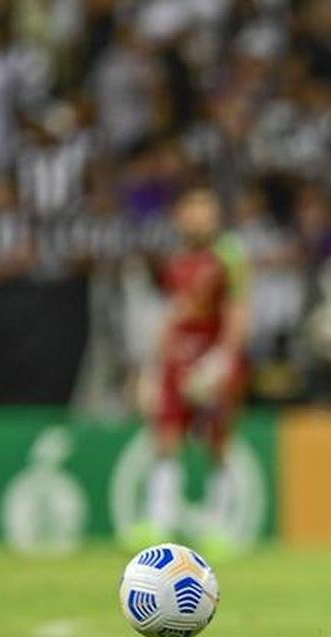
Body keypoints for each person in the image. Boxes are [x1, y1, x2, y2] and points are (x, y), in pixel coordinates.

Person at [136, 186, 249, 544]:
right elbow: (173, 314)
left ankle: (218, 526)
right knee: (166, 438)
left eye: (207, 209)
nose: (200, 217)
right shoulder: (174, 261)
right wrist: (153, 365)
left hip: (212, 358)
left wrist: (223, 357)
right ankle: (159, 522)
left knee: (217, 442)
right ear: (180, 216)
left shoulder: (229, 255)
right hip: (177, 359)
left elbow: (238, 309)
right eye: (193, 209)